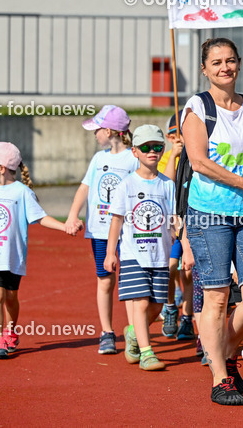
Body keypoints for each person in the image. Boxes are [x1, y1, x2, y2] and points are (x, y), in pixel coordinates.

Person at [177, 37, 243, 406]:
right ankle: (221, 378)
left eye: (231, 60)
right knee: (217, 299)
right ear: (204, 69)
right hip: (209, 214)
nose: (225, 67)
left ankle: (224, 349)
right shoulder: (197, 108)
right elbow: (199, 161)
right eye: (217, 62)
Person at [0, 142, 70, 359]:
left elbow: (40, 218)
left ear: (2, 167)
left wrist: (64, 226)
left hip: (12, 256)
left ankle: (10, 331)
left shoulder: (22, 192)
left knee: (10, 297)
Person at [65, 105, 139, 354]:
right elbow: (84, 188)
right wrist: (72, 215)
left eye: (97, 130)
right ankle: (107, 331)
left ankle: (133, 331)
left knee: (129, 284)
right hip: (99, 231)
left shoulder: (133, 158)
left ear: (109, 131)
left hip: (127, 232)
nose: (94, 134)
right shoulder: (98, 159)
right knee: (105, 280)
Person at [104, 125, 176, 371]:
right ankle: (147, 353)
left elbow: (174, 218)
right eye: (146, 148)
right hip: (133, 254)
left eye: (157, 147)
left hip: (160, 255)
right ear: (135, 152)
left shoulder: (168, 185)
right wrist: (110, 252)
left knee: (156, 307)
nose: (152, 152)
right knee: (142, 303)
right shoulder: (126, 185)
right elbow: (116, 220)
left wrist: (182, 242)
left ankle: (133, 332)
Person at [159, 114, 190, 339]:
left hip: (193, 220)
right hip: (171, 222)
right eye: (177, 134)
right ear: (170, 137)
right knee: (170, 269)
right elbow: (167, 185)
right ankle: (170, 307)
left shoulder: (198, 155)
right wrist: (174, 157)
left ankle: (188, 318)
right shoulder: (165, 158)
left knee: (188, 271)